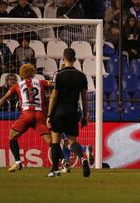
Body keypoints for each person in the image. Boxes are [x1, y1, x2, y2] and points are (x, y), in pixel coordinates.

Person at [0, 64, 53, 172]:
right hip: (40, 115)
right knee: (51, 141)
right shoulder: (41, 82)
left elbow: (4, 99)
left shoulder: (17, 85)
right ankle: (64, 161)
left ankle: (18, 162)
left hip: (27, 114)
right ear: (33, 73)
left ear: (21, 74)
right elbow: (53, 84)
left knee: (12, 137)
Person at [46, 48, 90, 177]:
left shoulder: (58, 74)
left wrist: (49, 115)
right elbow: (84, 97)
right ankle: (83, 158)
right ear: (75, 59)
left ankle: (54, 170)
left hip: (59, 111)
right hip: (73, 111)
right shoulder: (81, 76)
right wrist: (85, 114)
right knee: (72, 140)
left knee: (55, 140)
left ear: (63, 59)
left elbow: (54, 96)